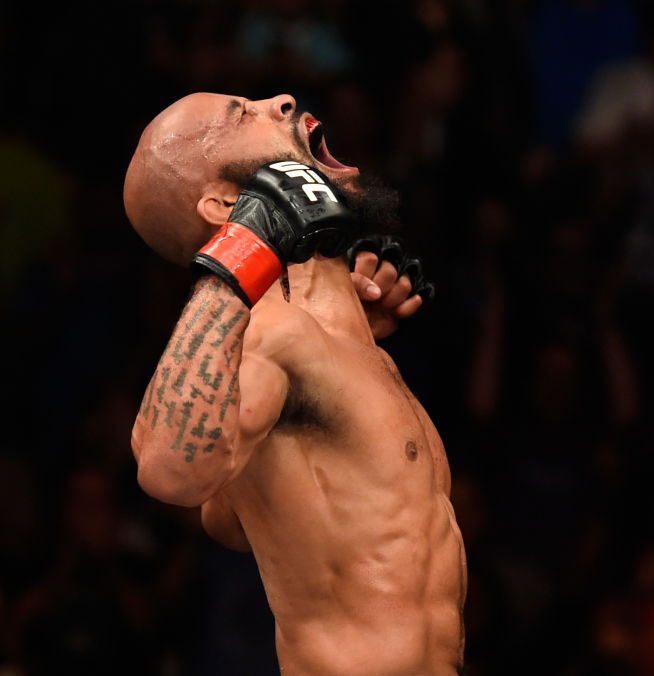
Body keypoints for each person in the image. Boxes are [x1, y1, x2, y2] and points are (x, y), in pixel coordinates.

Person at [122, 92, 466, 675]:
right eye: (240, 114)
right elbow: (169, 468)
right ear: (224, 202)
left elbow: (233, 523)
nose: (280, 101)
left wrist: (348, 349)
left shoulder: (322, 348)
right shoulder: (272, 337)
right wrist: (246, 250)